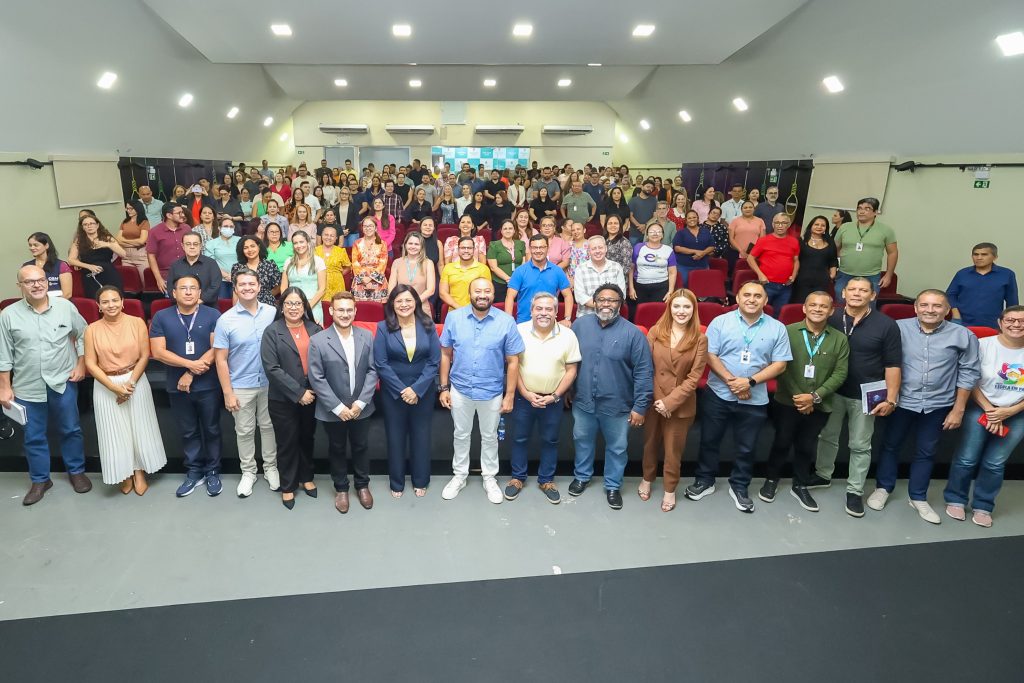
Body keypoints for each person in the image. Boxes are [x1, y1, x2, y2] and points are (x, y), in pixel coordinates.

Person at [868, 290, 980, 524]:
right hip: (901, 401)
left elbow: (969, 373)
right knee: (890, 445)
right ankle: (883, 488)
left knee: (926, 451)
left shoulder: (962, 335)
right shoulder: (897, 328)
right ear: (915, 307)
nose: (930, 310)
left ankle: (918, 496)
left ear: (947, 310)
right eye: (925, 305)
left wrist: (958, 409)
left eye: (937, 306)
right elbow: (881, 362)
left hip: (938, 404)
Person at [684, 281, 791, 513]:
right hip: (718, 393)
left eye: (757, 296)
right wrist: (733, 382)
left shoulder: (777, 328)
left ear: (766, 300)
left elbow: (780, 364)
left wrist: (749, 382)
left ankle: (740, 486)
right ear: (738, 298)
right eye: (747, 295)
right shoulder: (720, 322)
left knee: (747, 446)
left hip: (755, 396)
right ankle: (705, 480)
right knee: (709, 440)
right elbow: (709, 355)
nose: (752, 299)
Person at [811, 277, 902, 517]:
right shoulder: (830, 318)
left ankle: (855, 490)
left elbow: (893, 365)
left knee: (860, 445)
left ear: (873, 296)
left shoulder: (887, 325)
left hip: (866, 394)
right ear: (843, 293)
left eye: (863, 290)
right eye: (852, 289)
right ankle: (823, 475)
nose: (857, 294)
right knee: (827, 436)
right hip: (832, 391)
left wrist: (891, 398)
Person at [0, 266, 90, 505]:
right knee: (33, 436)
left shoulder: (65, 307)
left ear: (47, 282)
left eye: (41, 280)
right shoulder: (8, 315)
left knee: (71, 429)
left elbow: (84, 334)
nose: (37, 285)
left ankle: (76, 472)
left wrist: (81, 363)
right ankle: (40, 480)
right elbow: (3, 354)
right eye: (30, 282)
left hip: (63, 382)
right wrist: (4, 387)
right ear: (20, 286)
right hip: (27, 386)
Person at [758, 292, 849, 512]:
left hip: (820, 403)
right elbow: (780, 366)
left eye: (823, 306)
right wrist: (800, 397)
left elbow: (840, 373)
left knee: (806, 445)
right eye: (813, 305)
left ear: (831, 311)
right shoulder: (787, 332)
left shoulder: (839, 339)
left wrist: (814, 397)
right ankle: (771, 480)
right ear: (804, 308)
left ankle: (800, 484)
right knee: (782, 441)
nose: (818, 309)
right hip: (787, 401)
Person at [438, 278, 524, 503]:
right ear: (470, 293)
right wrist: (444, 387)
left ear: (494, 294)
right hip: (460, 389)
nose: (482, 295)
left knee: (490, 437)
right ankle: (460, 476)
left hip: (492, 391)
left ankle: (489, 477)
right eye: (478, 291)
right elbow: (445, 354)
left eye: (487, 291)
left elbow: (513, 361)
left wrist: (510, 395)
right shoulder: (454, 318)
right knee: (460, 434)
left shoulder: (506, 321)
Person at [569, 283, 653, 509]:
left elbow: (644, 372)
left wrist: (640, 407)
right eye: (602, 299)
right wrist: (568, 390)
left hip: (618, 406)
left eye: (612, 300)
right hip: (583, 401)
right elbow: (569, 362)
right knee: (582, 441)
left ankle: (613, 486)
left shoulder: (633, 334)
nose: (606, 304)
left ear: (620, 304)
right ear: (594, 302)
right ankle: (582, 477)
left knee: (617, 448)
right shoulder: (579, 326)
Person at [944, 305, 1024, 527]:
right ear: (1000, 323)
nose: (1016, 325)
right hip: (981, 406)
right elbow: (970, 378)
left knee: (995, 462)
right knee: (967, 458)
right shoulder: (982, 345)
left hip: (1017, 412)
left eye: (1022, 321)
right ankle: (955, 499)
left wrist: (1009, 411)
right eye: (1011, 320)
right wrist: (990, 410)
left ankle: (983, 505)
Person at [83, 285, 166, 494]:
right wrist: (114, 388)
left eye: (114, 300)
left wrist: (129, 385)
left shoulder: (137, 322)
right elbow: (90, 363)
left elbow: (144, 356)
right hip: (105, 385)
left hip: (135, 380)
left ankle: (139, 471)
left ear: (122, 302)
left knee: (140, 427)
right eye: (105, 302)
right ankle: (125, 473)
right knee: (114, 431)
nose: (110, 305)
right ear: (98, 306)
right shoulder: (91, 329)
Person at [149, 274, 224, 498]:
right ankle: (194, 471)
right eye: (183, 288)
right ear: (174, 293)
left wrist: (190, 373)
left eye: (193, 288)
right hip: (177, 386)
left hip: (209, 385)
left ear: (200, 293)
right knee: (188, 431)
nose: (188, 292)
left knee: (212, 429)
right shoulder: (162, 316)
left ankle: (213, 471)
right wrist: (189, 365)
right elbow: (158, 352)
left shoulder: (213, 314)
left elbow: (217, 348)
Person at [504, 292, 581, 504]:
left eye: (549, 309)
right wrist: (525, 393)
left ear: (556, 312)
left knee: (550, 440)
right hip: (524, 398)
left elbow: (571, 370)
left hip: (552, 401)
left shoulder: (568, 335)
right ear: (531, 311)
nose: (543, 313)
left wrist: (555, 396)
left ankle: (546, 480)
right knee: (519, 438)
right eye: (539, 308)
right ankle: (517, 478)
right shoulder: (518, 331)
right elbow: (513, 366)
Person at [308, 292, 378, 514]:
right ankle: (341, 488)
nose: (345, 314)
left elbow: (372, 370)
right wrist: (338, 407)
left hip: (360, 408)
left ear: (355, 311)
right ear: (331, 311)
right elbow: (316, 377)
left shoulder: (366, 336)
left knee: (361, 446)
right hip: (333, 410)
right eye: (340, 310)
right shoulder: (318, 340)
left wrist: (361, 402)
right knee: (337, 448)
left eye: (349, 310)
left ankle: (362, 485)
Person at [214, 268, 279, 497]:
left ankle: (271, 468)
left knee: (269, 428)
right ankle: (248, 472)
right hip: (241, 385)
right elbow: (220, 359)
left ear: (259, 287)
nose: (248, 288)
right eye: (242, 284)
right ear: (235, 288)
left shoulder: (272, 312)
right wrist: (227, 392)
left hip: (270, 384)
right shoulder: (225, 320)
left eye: (252, 284)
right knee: (244, 431)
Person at [640, 289, 707, 512]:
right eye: (676, 306)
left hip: (680, 405)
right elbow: (646, 368)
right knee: (650, 444)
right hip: (654, 401)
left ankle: (670, 489)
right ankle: (647, 479)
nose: (681, 311)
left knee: (673, 451)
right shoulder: (655, 332)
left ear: (693, 309)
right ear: (669, 308)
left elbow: (694, 377)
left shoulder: (700, 338)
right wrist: (660, 401)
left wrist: (669, 402)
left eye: (686, 307)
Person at [373, 285, 441, 498]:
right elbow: (381, 363)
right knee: (395, 437)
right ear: (392, 304)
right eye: (399, 301)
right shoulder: (383, 328)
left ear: (416, 303)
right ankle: (397, 482)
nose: (404, 305)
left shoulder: (428, 325)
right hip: (394, 393)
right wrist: (403, 390)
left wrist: (416, 389)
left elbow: (434, 361)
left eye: (408, 300)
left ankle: (421, 480)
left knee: (421, 436)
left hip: (423, 392)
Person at [260, 288, 320, 509]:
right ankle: (288, 485)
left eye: (298, 304)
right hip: (282, 398)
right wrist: (298, 393)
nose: (293, 308)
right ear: (282, 306)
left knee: (307, 438)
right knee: (287, 442)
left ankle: (306, 477)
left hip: (312, 395)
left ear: (304, 306)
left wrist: (308, 392)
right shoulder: (272, 331)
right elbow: (272, 368)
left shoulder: (315, 329)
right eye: (289, 303)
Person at [833, 197, 898, 299]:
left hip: (871, 276)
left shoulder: (885, 230)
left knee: (867, 304)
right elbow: (835, 248)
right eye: (859, 208)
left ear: (875, 212)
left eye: (867, 209)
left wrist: (889, 275)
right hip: (844, 274)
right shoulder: (845, 227)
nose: (862, 211)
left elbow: (892, 252)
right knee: (841, 303)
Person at [947, 243, 1019, 329]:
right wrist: (956, 314)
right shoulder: (962, 273)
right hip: (963, 322)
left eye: (984, 254)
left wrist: (1010, 322)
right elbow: (950, 295)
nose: (979, 257)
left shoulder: (1007, 274)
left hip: (993, 323)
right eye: (975, 254)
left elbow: (1012, 301)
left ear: (995, 257)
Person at [505, 234, 574, 324]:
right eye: (534, 247)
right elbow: (510, 297)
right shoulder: (520, 271)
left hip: (548, 322)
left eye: (541, 247)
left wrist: (567, 318)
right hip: (524, 322)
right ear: (530, 249)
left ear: (548, 248)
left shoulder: (557, 271)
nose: (538, 251)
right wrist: (508, 322)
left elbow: (568, 295)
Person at [747, 212, 801, 315]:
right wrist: (760, 274)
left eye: (783, 223)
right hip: (767, 284)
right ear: (773, 224)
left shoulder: (794, 241)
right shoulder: (764, 240)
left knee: (779, 314)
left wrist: (793, 276)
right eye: (777, 223)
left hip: (786, 286)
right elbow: (750, 258)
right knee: (760, 312)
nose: (780, 225)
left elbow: (796, 260)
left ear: (788, 225)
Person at [67, 214, 126, 298]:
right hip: (90, 274)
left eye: (92, 223)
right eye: (85, 224)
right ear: (82, 227)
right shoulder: (79, 241)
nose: (89, 226)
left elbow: (123, 254)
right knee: (95, 299)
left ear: (97, 225)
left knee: (115, 297)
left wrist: (108, 245)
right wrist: (88, 266)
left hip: (109, 273)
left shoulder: (107, 238)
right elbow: (71, 260)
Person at [280, 232, 327, 325]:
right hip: (292, 307)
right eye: (295, 243)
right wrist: (287, 304)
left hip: (312, 306)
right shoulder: (288, 261)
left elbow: (322, 289)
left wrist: (306, 308)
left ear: (308, 242)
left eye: (301, 242)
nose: (299, 245)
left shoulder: (318, 261)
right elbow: (283, 287)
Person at [574, 235, 627, 316]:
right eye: (593, 248)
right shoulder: (580, 269)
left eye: (600, 247)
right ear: (588, 252)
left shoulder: (616, 267)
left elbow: (621, 294)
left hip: (611, 317)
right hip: (586, 316)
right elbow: (580, 297)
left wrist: (603, 305)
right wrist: (604, 305)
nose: (597, 251)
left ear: (606, 248)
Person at [790, 215, 838, 305]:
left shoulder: (830, 242)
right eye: (816, 224)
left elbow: (833, 260)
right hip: (802, 280)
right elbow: (795, 259)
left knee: (816, 304)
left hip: (822, 281)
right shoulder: (802, 240)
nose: (819, 227)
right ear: (811, 226)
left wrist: (832, 275)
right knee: (800, 305)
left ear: (826, 228)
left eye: (823, 225)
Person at [168, 231, 221, 307]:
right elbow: (170, 289)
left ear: (201, 246)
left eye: (195, 244)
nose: (192, 247)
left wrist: (199, 301)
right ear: (182, 246)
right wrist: (185, 303)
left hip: (207, 307)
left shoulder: (211, 263)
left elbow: (215, 286)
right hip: (181, 308)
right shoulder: (175, 265)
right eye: (188, 244)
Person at [147, 203, 189, 294]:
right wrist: (158, 279)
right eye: (179, 213)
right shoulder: (154, 232)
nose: (183, 215)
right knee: (171, 300)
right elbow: (151, 255)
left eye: (182, 212)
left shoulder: (187, 229)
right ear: (169, 215)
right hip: (166, 275)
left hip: (188, 272)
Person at [630, 223, 676, 305]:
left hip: (661, 286)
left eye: (658, 231)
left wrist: (670, 291)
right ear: (647, 235)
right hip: (640, 286)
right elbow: (631, 269)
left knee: (658, 310)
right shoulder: (638, 247)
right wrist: (631, 288)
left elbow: (672, 272)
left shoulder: (668, 250)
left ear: (662, 235)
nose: (655, 234)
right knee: (641, 310)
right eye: (652, 232)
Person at [231, 235, 281, 306]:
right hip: (244, 304)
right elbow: (235, 291)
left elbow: (277, 287)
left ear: (259, 247)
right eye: (245, 248)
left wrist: (265, 295)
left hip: (266, 304)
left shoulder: (270, 265)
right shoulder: (237, 267)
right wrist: (235, 309)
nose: (250, 250)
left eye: (252, 246)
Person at [350, 217, 389, 304]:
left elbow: (382, 263)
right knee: (360, 308)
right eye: (365, 226)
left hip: (377, 281)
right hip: (361, 280)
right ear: (362, 228)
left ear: (375, 228)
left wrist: (370, 278)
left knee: (377, 309)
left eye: (370, 226)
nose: (368, 228)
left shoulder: (382, 244)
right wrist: (364, 279)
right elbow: (355, 263)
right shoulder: (357, 243)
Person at [672, 209, 716, 287]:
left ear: (698, 219)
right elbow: (677, 248)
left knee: (703, 287)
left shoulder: (705, 231)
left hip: (703, 265)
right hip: (684, 266)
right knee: (684, 287)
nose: (692, 219)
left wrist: (703, 253)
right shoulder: (680, 232)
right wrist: (696, 251)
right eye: (689, 218)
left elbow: (712, 246)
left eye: (694, 217)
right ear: (686, 221)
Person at [486, 219, 526, 302]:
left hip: (519, 282)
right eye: (505, 229)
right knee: (501, 307)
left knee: (518, 306)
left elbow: (523, 263)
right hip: (500, 284)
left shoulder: (521, 244)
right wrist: (509, 279)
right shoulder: (494, 245)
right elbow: (493, 267)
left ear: (514, 230)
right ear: (501, 231)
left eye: (510, 228)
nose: (508, 231)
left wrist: (517, 279)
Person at [24, 232, 72, 299]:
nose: (32, 248)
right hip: (34, 303)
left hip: (58, 303)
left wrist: (47, 304)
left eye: (36, 245)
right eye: (30, 245)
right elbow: (25, 292)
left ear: (46, 246)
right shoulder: (26, 266)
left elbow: (67, 294)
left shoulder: (61, 265)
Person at [204, 216, 240, 299]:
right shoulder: (211, 243)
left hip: (239, 278)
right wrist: (226, 275)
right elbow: (210, 263)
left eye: (231, 226)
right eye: (225, 226)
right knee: (223, 303)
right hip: (220, 279)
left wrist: (234, 275)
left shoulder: (241, 241)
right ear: (219, 228)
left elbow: (244, 259)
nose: (228, 228)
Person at [117, 200, 151, 280]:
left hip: (140, 255)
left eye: (131, 208)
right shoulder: (125, 222)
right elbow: (118, 239)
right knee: (130, 281)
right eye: (127, 208)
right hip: (126, 255)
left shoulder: (144, 222)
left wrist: (124, 241)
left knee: (144, 281)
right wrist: (135, 242)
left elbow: (141, 241)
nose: (128, 210)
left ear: (137, 208)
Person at [316, 225, 351, 301]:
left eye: (332, 236)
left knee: (337, 305)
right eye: (326, 235)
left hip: (337, 284)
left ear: (336, 238)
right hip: (319, 284)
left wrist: (338, 274)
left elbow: (348, 267)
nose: (328, 237)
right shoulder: (315, 251)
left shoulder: (341, 251)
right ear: (322, 236)